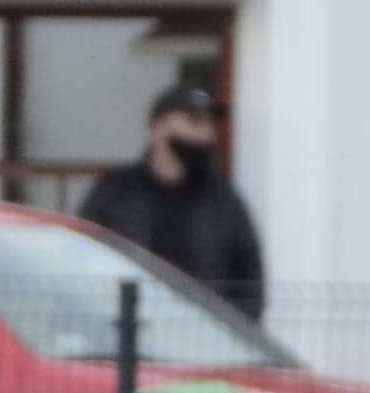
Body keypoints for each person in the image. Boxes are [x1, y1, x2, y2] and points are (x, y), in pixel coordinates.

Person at [76, 81, 268, 320]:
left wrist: (235, 334)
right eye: (194, 121)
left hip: (205, 337)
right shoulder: (116, 193)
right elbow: (83, 257)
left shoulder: (223, 200)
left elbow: (249, 273)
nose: (207, 133)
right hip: (130, 334)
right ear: (158, 127)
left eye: (210, 123)